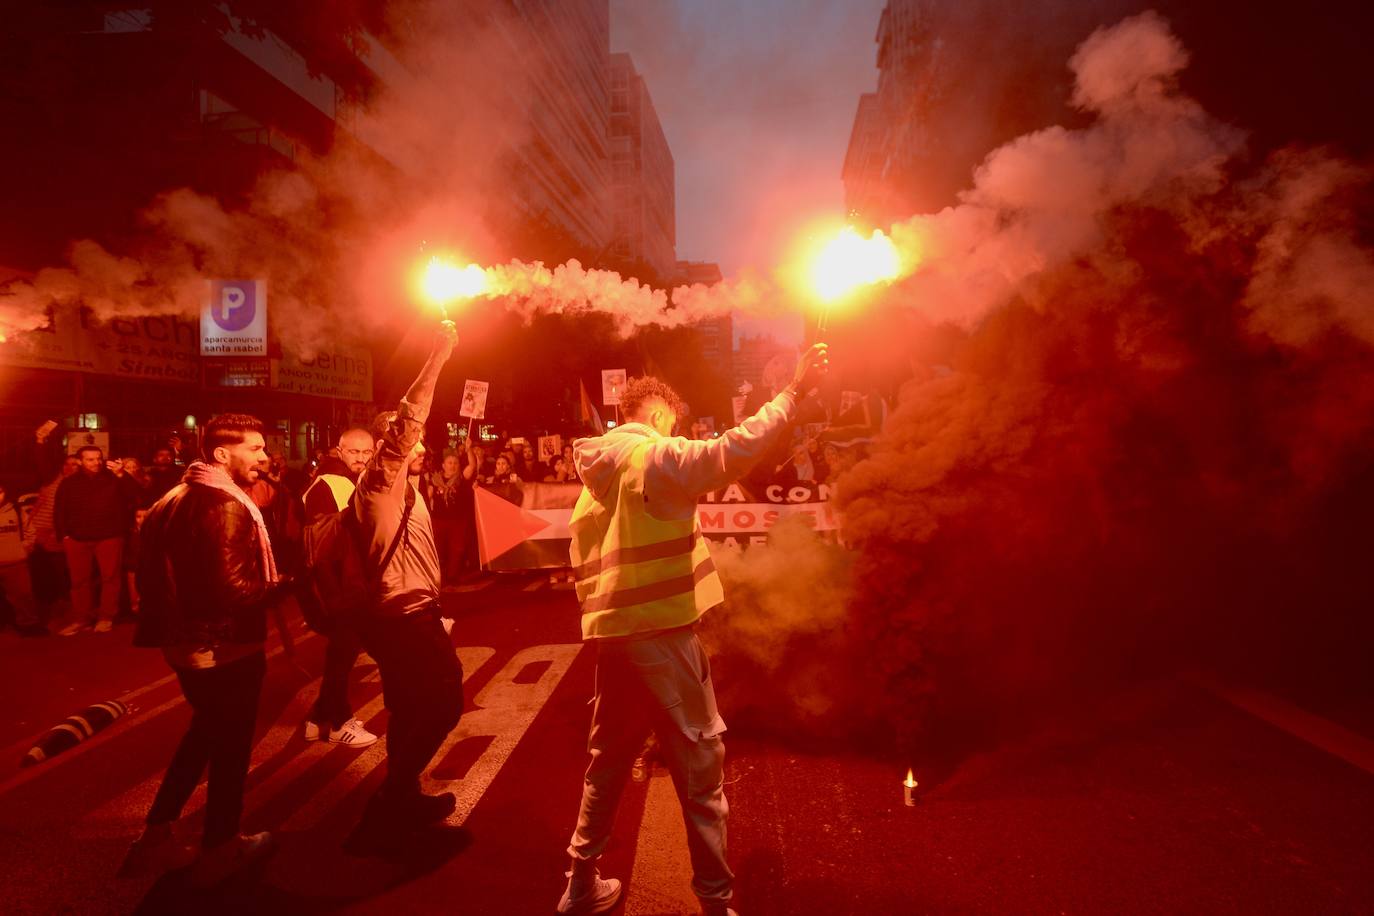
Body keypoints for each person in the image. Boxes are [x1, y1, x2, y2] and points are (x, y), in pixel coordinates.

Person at [555, 343, 829, 916]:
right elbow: (734, 450)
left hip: (615, 638)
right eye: (671, 423)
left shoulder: (592, 480)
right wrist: (793, 392)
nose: (672, 431)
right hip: (663, 636)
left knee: (606, 764)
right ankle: (715, 903)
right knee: (702, 772)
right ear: (657, 415)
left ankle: (580, 884)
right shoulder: (652, 459)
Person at [127, 414, 287, 884]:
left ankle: (155, 835)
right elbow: (235, 592)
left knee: (203, 735)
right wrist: (294, 581)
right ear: (222, 454)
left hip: (185, 647)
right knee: (232, 748)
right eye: (255, 449)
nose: (263, 458)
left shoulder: (172, 498)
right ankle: (222, 847)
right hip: (223, 649)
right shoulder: (225, 505)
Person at [348, 319, 464, 846]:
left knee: (409, 708)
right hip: (402, 620)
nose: (418, 443)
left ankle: (403, 794)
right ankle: (392, 800)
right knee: (443, 703)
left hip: (408, 615)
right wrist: (438, 355)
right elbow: (408, 421)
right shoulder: (378, 489)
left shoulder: (410, 490)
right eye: (406, 439)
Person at [297, 428, 379, 749]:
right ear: (340, 451)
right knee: (343, 654)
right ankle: (340, 722)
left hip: (342, 584)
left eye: (366, 452)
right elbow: (331, 545)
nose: (361, 458)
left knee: (342, 655)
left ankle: (318, 718)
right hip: (339, 586)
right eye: (354, 452)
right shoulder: (334, 483)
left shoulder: (336, 480)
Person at [54, 446, 138, 635]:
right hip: (77, 539)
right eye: (90, 459)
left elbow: (135, 494)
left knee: (110, 579)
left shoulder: (113, 478)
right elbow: (60, 509)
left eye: (98, 458)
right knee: (79, 581)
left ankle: (106, 617)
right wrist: (64, 535)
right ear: (80, 461)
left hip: (109, 537)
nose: (96, 462)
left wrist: (121, 474)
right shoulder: (69, 483)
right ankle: (81, 618)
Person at [22, 456, 77, 634]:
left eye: (75, 464)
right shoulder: (53, 479)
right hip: (38, 529)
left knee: (58, 570)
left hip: (56, 532)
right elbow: (42, 464)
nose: (70, 467)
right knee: (38, 571)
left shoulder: (76, 484)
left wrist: (59, 532)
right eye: (67, 463)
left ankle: (59, 608)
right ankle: (41, 608)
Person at [0, 484, 36, 634]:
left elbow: (30, 530)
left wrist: (24, 548)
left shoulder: (15, 510)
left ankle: (28, 625)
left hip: (15, 562)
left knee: (23, 596)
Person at [429, 452, 466, 584]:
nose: (453, 465)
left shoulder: (462, 479)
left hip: (457, 520)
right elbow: (428, 496)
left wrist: (469, 449)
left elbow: (472, 466)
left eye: (455, 463)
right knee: (437, 549)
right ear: (443, 465)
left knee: (457, 549)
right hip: (439, 519)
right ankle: (438, 575)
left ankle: (452, 576)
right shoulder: (434, 480)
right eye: (450, 463)